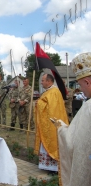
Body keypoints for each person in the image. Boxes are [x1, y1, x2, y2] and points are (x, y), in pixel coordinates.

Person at [56, 52, 91, 186]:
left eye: (80, 85)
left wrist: (61, 128)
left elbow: (75, 144)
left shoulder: (88, 108)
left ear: (87, 82)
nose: (81, 89)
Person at [34, 74, 69, 173]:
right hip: (47, 123)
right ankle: (46, 166)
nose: (41, 82)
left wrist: (39, 103)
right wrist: (39, 102)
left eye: (43, 80)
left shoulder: (54, 92)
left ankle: (53, 168)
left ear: (49, 81)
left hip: (52, 124)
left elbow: (51, 109)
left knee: (52, 143)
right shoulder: (49, 91)